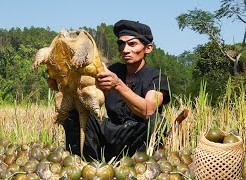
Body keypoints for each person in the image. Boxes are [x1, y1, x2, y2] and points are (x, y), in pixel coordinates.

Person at [51, 19, 170, 161]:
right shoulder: (113, 70)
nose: (125, 50)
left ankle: (140, 166)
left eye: (132, 44)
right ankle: (83, 162)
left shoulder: (156, 77)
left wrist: (118, 85)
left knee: (157, 121)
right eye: (121, 44)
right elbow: (85, 93)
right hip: (110, 134)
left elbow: (148, 110)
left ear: (148, 48)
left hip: (136, 139)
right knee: (76, 112)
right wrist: (61, 83)